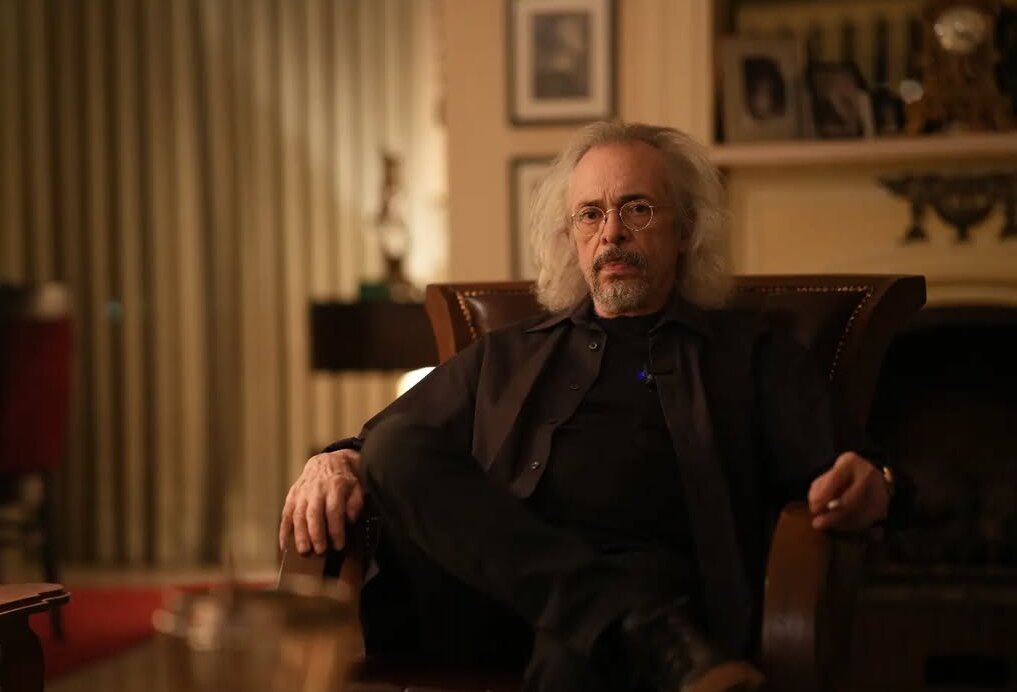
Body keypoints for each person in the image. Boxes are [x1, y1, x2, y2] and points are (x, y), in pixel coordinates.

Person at [279, 121, 902, 691]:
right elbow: (385, 448)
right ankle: (639, 627)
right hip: (485, 597)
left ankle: (618, 622)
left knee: (580, 655)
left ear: (686, 230)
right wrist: (334, 460)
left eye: (637, 208)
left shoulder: (749, 356)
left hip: (649, 581)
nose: (612, 233)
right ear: (572, 237)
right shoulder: (505, 354)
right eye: (590, 214)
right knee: (394, 445)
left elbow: (868, 473)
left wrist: (874, 485)